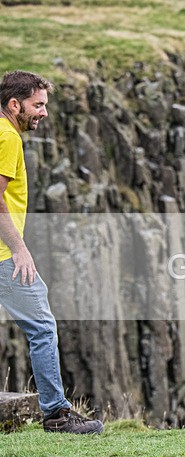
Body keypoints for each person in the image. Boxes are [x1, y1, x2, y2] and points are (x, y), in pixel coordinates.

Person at [0, 71, 103, 434]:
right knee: (42, 327)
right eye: (38, 105)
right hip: (3, 255)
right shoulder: (7, 136)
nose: (44, 113)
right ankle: (57, 415)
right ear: (15, 104)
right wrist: (19, 249)